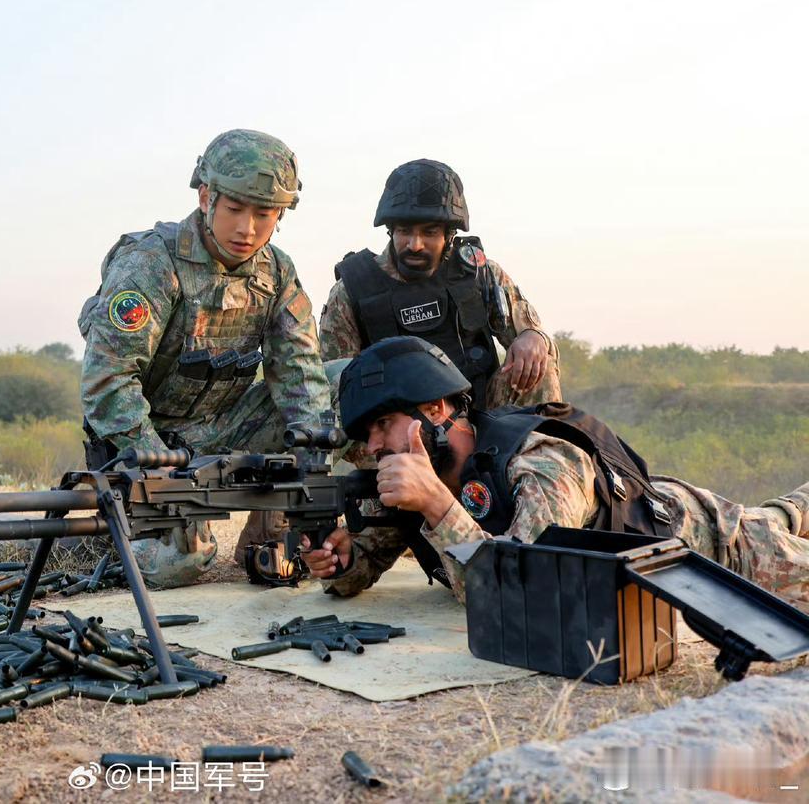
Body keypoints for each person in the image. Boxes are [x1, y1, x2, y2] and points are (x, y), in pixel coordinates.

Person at [303, 337, 809, 613]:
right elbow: (360, 570)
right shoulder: (422, 477)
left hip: (719, 548)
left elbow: (526, 593)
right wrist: (342, 561)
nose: (371, 447)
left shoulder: (542, 460)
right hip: (680, 549)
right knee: (787, 512)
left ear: (435, 409)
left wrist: (437, 504)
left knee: (773, 527)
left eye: (383, 425)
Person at [77, 128, 331, 588]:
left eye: (265, 214)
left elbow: (301, 370)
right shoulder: (152, 262)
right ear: (205, 197)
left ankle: (277, 528)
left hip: (222, 427)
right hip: (144, 443)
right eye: (234, 209)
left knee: (346, 386)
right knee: (182, 564)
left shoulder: (277, 272)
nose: (247, 228)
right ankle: (117, 530)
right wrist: (150, 450)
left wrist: (314, 460)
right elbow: (107, 380)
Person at [319, 159, 560, 409]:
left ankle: (542, 448)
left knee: (539, 364)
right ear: (391, 230)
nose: (415, 244)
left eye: (429, 233)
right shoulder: (352, 289)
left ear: (449, 235)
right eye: (405, 231)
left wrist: (532, 337)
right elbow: (333, 382)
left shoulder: (479, 273)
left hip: (483, 418)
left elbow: (531, 335)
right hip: (395, 425)